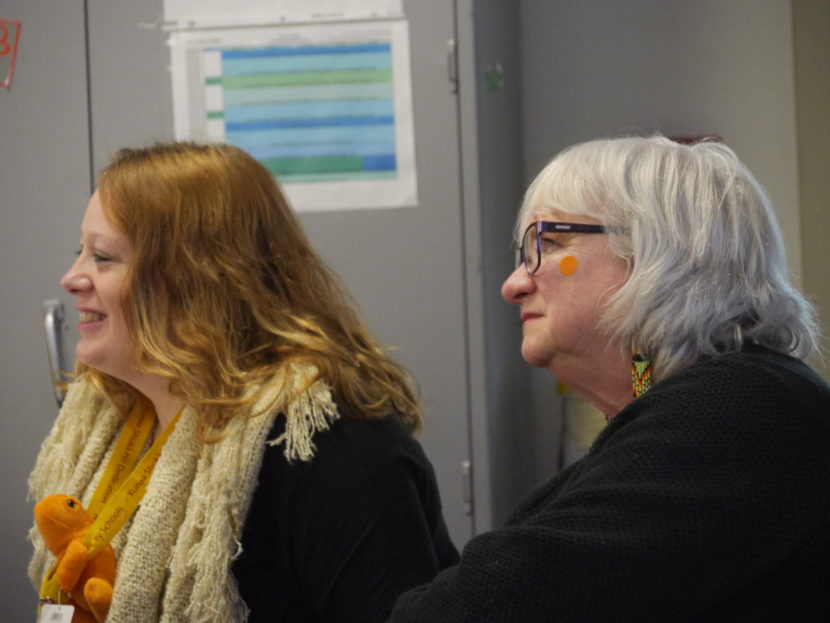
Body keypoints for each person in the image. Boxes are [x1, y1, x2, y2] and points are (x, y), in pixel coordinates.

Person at [388, 135, 830, 622]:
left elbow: (476, 610)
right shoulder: (675, 393)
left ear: (654, 256)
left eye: (548, 243)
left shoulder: (743, 410)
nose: (513, 285)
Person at [28, 141, 459, 623]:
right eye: (79, 252)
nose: (71, 277)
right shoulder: (114, 418)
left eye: (103, 257)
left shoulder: (326, 444)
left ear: (195, 279)